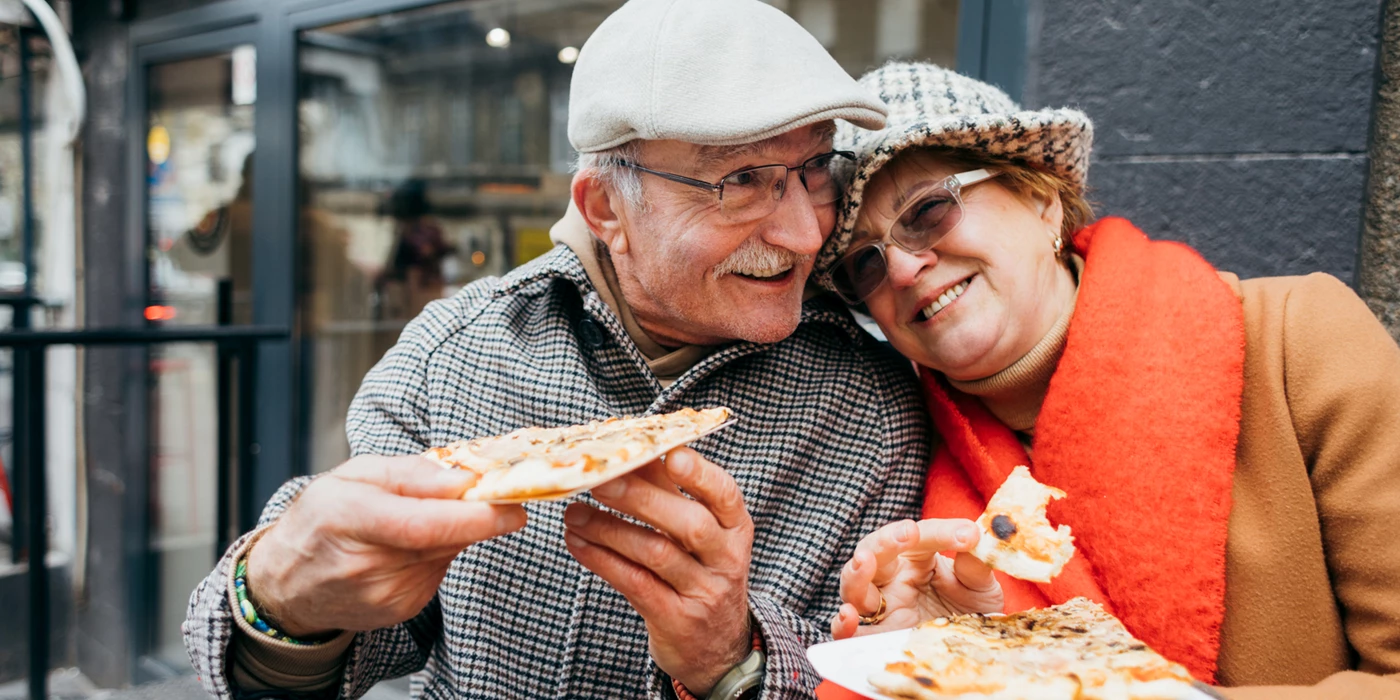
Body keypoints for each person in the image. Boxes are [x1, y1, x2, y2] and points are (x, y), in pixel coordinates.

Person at [183, 3, 1000, 699]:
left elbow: (866, 667)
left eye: (814, 169)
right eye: (741, 181)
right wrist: (279, 606)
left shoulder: (875, 408)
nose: (802, 232)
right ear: (605, 205)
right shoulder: (454, 354)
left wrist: (732, 661)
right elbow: (350, 650)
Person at [814, 62, 1400, 698]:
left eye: (928, 211)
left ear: (1041, 200)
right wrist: (929, 668)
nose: (900, 269)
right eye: (863, 266)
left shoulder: (1297, 339)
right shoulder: (894, 447)